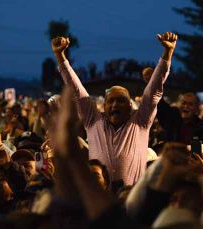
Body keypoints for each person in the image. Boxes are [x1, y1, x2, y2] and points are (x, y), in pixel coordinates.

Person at [51, 31, 178, 187]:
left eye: (121, 101)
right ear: (103, 106)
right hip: (100, 200)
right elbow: (76, 90)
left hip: (132, 200)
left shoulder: (141, 121)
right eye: (110, 101)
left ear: (130, 106)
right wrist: (60, 57)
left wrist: (167, 53)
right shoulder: (93, 121)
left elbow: (154, 91)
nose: (115, 105)